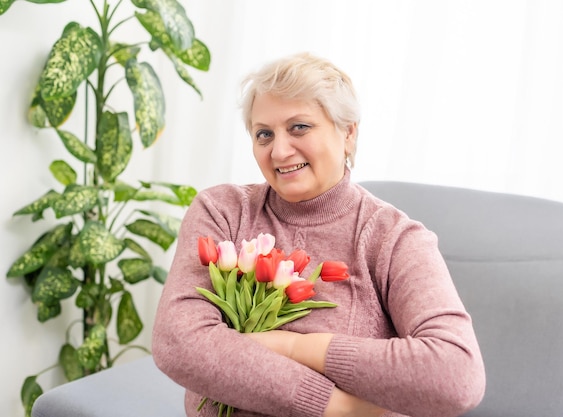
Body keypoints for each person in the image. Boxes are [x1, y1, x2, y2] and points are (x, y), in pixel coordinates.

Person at [152, 52, 486, 417]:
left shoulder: (394, 239)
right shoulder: (223, 211)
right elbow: (177, 342)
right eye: (264, 134)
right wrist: (338, 407)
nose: (279, 151)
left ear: (348, 132)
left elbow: (457, 375)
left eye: (299, 127)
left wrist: (298, 348)